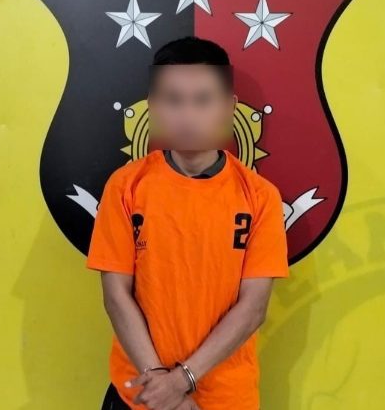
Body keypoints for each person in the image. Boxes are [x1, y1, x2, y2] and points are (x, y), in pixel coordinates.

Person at [87, 36, 290, 410]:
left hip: (226, 396)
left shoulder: (260, 196)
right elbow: (116, 295)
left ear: (229, 107)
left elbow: (253, 307)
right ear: (153, 106)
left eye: (203, 100)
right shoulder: (126, 186)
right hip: (140, 394)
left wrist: (182, 380)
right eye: (174, 100)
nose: (188, 115)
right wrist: (162, 388)